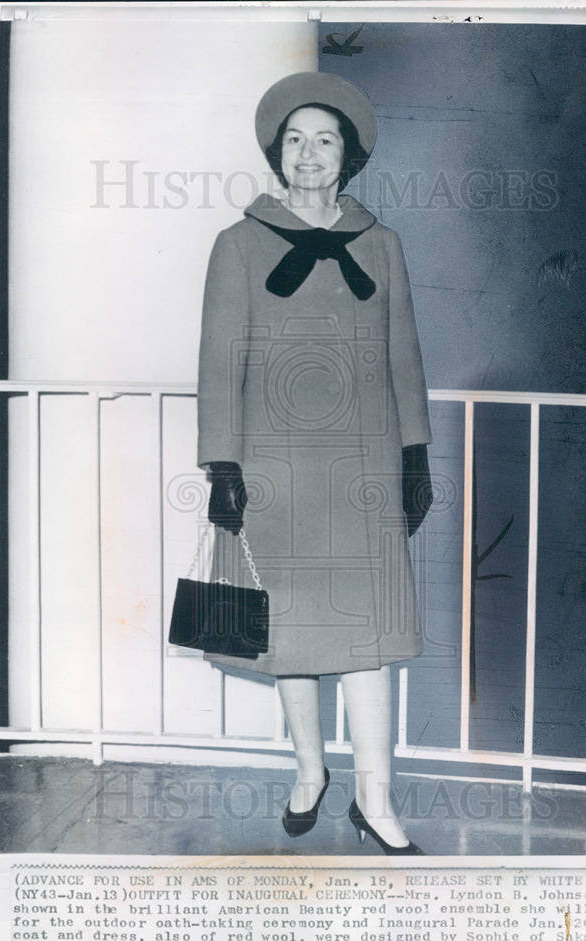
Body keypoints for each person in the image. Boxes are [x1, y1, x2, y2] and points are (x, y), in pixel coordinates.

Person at [196, 71, 433, 854]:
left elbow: (405, 357)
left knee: (367, 637)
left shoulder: (384, 244)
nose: (307, 154)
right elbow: (218, 363)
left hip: (363, 475)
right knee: (290, 634)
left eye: (323, 139)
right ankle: (309, 772)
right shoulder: (236, 246)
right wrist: (222, 468)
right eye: (293, 139)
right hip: (275, 473)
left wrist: (415, 454)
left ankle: (376, 801)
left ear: (347, 155)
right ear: (276, 152)